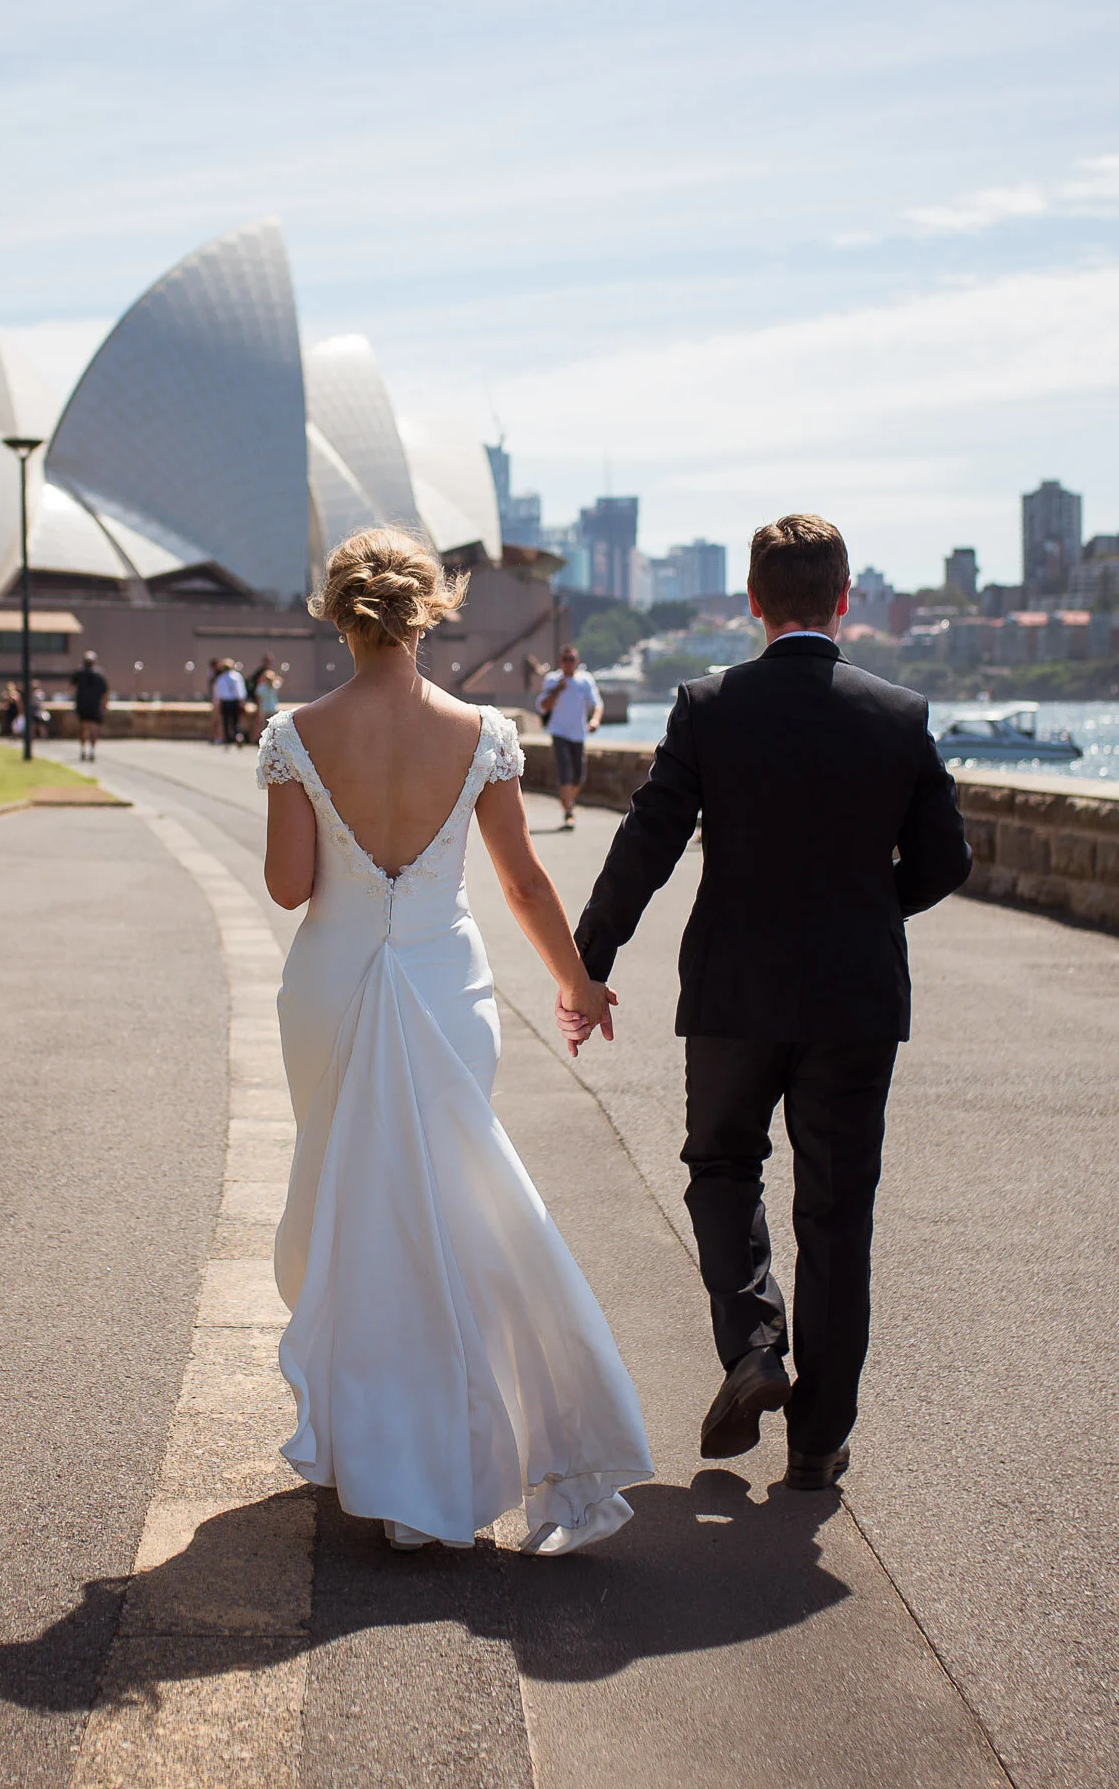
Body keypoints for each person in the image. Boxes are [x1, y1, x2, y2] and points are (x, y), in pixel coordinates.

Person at [258, 527, 651, 1554]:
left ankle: (374, 1438)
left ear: (338, 614)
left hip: (332, 983)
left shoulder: (297, 732)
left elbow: (290, 886)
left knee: (350, 1197)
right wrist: (577, 982)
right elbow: (521, 879)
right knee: (446, 1207)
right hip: (445, 980)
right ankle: (443, 1445)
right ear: (427, 610)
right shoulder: (481, 731)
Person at [564, 514, 972, 1491]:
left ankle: (753, 1344)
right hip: (855, 998)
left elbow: (647, 841)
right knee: (838, 1215)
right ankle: (820, 1443)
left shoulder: (710, 704)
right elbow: (947, 859)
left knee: (721, 1163)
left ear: (752, 600)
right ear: (845, 602)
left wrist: (589, 961)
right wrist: (871, 906)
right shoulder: (899, 713)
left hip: (734, 990)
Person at [535, 645, 602, 828]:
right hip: (559, 732)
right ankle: (568, 812)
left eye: (572, 660)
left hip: (578, 734)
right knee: (565, 770)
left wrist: (595, 721)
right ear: (560, 662)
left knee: (578, 776)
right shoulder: (552, 680)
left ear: (577, 661)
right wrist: (557, 689)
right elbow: (543, 707)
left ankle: (568, 799)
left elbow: (597, 704)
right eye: (566, 660)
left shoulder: (585, 680)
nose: (569, 664)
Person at [71, 651, 109, 762]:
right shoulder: (99, 675)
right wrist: (104, 706)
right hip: (93, 706)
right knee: (93, 729)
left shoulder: (79, 673)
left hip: (84, 705)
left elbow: (72, 687)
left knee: (84, 728)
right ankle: (90, 751)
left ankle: (85, 750)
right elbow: (105, 693)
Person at [213, 657, 248, 744]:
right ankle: (238, 736)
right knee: (235, 722)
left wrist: (216, 702)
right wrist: (242, 701)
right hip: (235, 701)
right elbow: (241, 690)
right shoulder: (237, 676)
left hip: (225, 701)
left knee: (225, 721)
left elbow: (217, 692)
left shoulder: (221, 678)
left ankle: (227, 739)